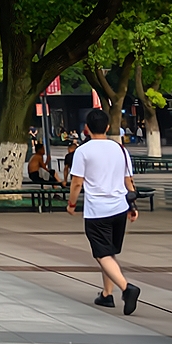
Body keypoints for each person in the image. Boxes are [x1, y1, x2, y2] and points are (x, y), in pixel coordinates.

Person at [67, 109, 140, 315]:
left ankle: (127, 289)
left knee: (102, 253)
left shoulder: (83, 151)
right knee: (110, 252)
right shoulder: (120, 149)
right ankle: (107, 295)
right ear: (108, 127)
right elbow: (129, 181)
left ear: (86, 129)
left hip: (97, 210)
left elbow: (77, 182)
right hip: (119, 208)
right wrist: (133, 207)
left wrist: (71, 204)